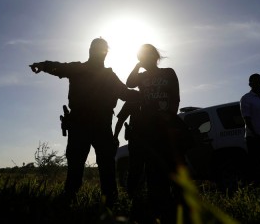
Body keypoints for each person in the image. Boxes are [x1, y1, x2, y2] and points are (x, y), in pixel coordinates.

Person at [30, 38, 138, 206]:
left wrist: (146, 95)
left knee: (105, 166)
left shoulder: (106, 75)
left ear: (105, 53)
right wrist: (43, 65)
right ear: (91, 51)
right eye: (95, 49)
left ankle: (107, 202)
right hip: (82, 125)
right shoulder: (80, 69)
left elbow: (126, 94)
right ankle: (71, 199)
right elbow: (58, 67)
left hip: (98, 126)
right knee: (77, 166)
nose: (97, 53)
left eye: (100, 50)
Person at [126, 44, 181, 223]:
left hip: (166, 125)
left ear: (155, 57)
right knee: (152, 167)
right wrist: (137, 65)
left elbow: (175, 96)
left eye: (147, 56)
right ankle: (157, 203)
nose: (146, 59)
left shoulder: (168, 73)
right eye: (142, 56)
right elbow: (129, 83)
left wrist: (170, 116)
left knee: (170, 164)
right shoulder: (141, 77)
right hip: (148, 128)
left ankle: (175, 203)